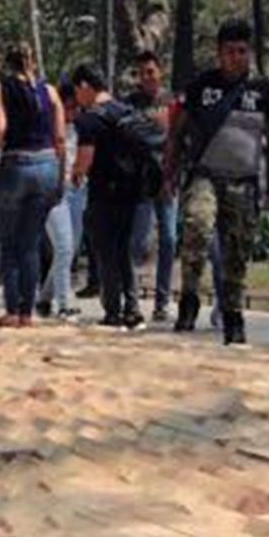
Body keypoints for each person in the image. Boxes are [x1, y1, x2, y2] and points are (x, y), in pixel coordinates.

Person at [165, 18, 269, 345]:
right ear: (219, 53)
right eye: (230, 51)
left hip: (244, 181)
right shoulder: (201, 87)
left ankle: (233, 314)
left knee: (237, 251)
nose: (236, 57)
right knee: (197, 225)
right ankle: (189, 296)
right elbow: (176, 134)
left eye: (242, 51)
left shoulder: (266, 91)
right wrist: (169, 175)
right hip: (205, 174)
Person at [0, 43, 65, 328]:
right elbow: (60, 137)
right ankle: (28, 312)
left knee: (9, 242)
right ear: (33, 62)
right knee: (31, 243)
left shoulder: (1, 88)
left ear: (7, 63)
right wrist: (59, 173)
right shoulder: (50, 91)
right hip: (46, 164)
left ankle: (13, 309)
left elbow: (0, 126)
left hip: (16, 164)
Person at [71, 63, 146, 331]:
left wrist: (76, 174)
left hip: (103, 191)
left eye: (77, 91)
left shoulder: (90, 119)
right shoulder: (126, 111)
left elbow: (85, 158)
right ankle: (133, 308)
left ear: (84, 86)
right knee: (123, 249)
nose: (77, 98)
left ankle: (112, 310)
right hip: (131, 191)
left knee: (105, 251)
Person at [127, 50, 178, 322]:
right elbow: (132, 134)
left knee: (169, 239)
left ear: (160, 72)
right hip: (141, 181)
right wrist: (156, 131)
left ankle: (162, 301)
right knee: (139, 242)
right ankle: (131, 300)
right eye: (141, 73)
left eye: (151, 71)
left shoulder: (172, 102)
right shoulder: (131, 103)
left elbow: (178, 138)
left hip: (168, 180)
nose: (146, 77)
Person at [37, 77, 82, 320]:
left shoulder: (79, 128)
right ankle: (64, 303)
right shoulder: (47, 131)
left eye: (76, 107)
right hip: (52, 193)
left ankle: (45, 297)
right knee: (64, 247)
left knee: (69, 249)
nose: (73, 112)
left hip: (75, 191)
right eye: (69, 107)